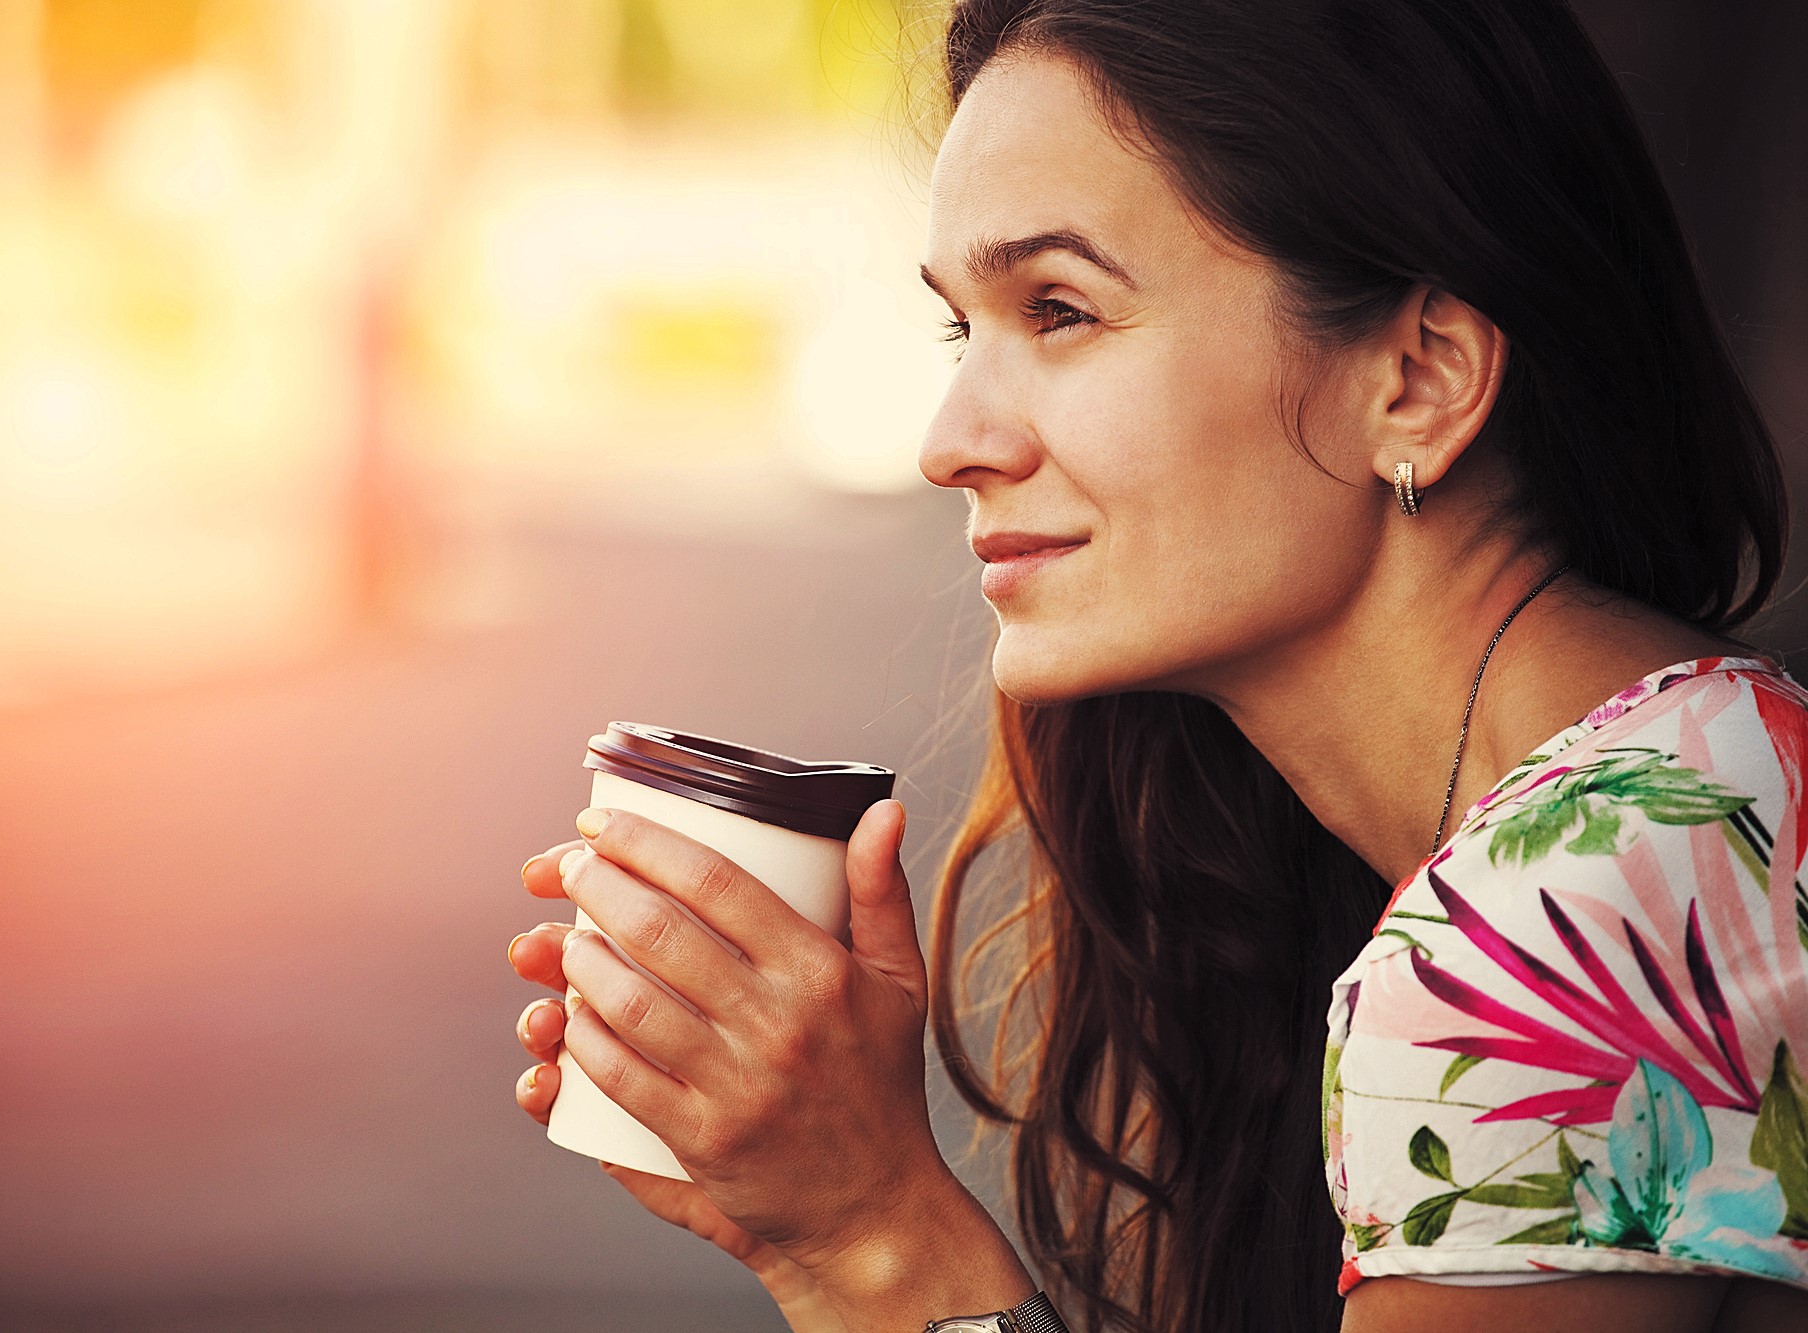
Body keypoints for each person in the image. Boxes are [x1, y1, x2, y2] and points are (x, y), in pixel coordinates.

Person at [506, 1, 1808, 1329]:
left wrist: (877, 1238)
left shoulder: (1554, 929)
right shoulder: (1715, 773)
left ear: (1416, 378)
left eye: (1061, 309)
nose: (948, 439)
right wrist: (807, 1238)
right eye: (966, 331)